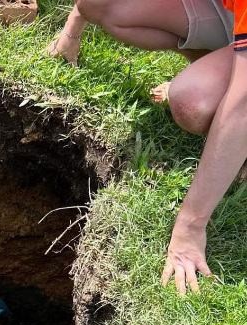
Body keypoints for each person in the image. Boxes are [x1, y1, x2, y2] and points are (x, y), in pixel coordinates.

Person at [48, 1, 247, 296]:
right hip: (232, 14)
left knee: (193, 103)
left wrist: (190, 227)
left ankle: (220, 88)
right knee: (103, 5)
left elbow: (241, 107)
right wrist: (74, 27)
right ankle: (217, 67)